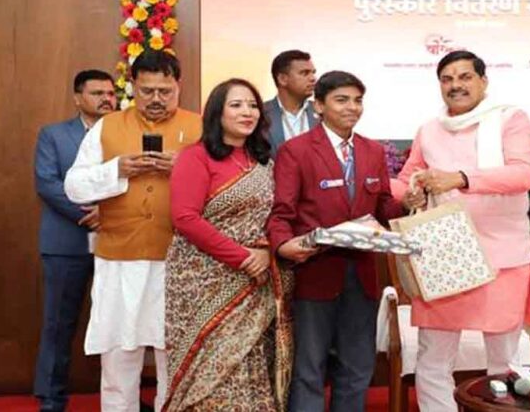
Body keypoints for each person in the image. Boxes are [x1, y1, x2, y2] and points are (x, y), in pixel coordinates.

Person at [391, 50, 530, 412]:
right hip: (443, 254)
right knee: (433, 357)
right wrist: (409, 192)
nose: (455, 85)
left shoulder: (510, 119)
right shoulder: (429, 129)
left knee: (504, 362)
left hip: (502, 256)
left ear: (483, 81)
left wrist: (460, 178)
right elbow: (403, 179)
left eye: (465, 77)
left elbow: (522, 174)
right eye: (447, 79)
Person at [267, 71, 418, 412]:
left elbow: (382, 208)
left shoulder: (372, 150)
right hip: (314, 274)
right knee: (309, 370)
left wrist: (406, 203)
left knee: (357, 368)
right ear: (318, 106)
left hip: (362, 276)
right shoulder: (296, 151)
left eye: (357, 100)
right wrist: (282, 246)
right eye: (341, 100)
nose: (352, 107)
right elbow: (281, 213)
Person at [64, 51, 202, 412]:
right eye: (147, 91)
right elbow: (74, 186)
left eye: (164, 91)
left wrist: (185, 168)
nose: (156, 99)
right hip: (119, 259)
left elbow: (225, 188)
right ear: (132, 87)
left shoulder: (202, 127)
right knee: (118, 357)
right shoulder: (107, 127)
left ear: (179, 86)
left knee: (177, 357)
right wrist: (116, 170)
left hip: (182, 261)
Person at [164, 78, 293, 411]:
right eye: (236, 105)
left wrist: (266, 251)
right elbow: (185, 218)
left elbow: (275, 216)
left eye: (252, 106)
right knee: (208, 371)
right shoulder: (196, 157)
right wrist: (243, 258)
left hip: (256, 282)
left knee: (253, 362)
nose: (247, 112)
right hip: (203, 278)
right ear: (217, 113)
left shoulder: (263, 161)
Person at [33, 70, 117, 412]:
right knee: (59, 323)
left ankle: (120, 397)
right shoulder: (53, 135)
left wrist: (108, 214)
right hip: (66, 243)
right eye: (97, 93)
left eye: (110, 93)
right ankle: (51, 398)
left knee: (118, 324)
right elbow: (47, 183)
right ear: (78, 98)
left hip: (118, 243)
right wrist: (91, 213)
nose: (106, 99)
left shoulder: (124, 132)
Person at [263, 50, 319, 156]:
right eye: (304, 73)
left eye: (313, 73)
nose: (313, 78)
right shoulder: (259, 114)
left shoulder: (323, 113)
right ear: (282, 79)